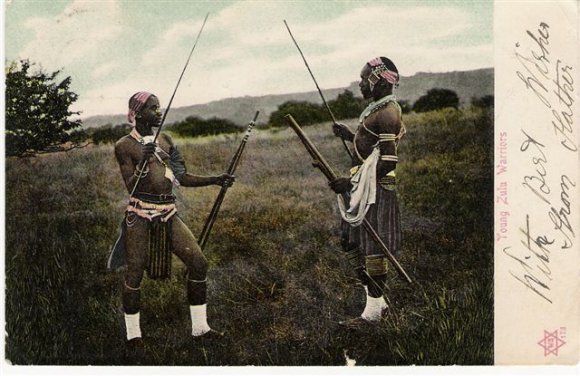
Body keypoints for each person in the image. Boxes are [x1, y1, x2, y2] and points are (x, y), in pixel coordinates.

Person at [111, 91, 234, 349]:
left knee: (198, 263)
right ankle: (134, 337)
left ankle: (200, 329)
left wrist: (215, 179)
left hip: (168, 212)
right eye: (154, 108)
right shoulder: (124, 146)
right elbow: (131, 188)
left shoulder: (165, 140)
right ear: (138, 113)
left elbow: (182, 177)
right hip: (140, 215)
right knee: (135, 272)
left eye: (159, 108)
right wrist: (143, 159)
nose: (159, 112)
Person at [330, 57, 405, 328]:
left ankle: (371, 315)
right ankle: (379, 303)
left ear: (379, 80)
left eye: (364, 79)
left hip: (375, 191)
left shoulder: (387, 112)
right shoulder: (377, 110)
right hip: (364, 188)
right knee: (352, 243)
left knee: (373, 249)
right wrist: (350, 134)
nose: (361, 84)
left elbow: (388, 161)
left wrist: (350, 184)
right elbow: (369, 147)